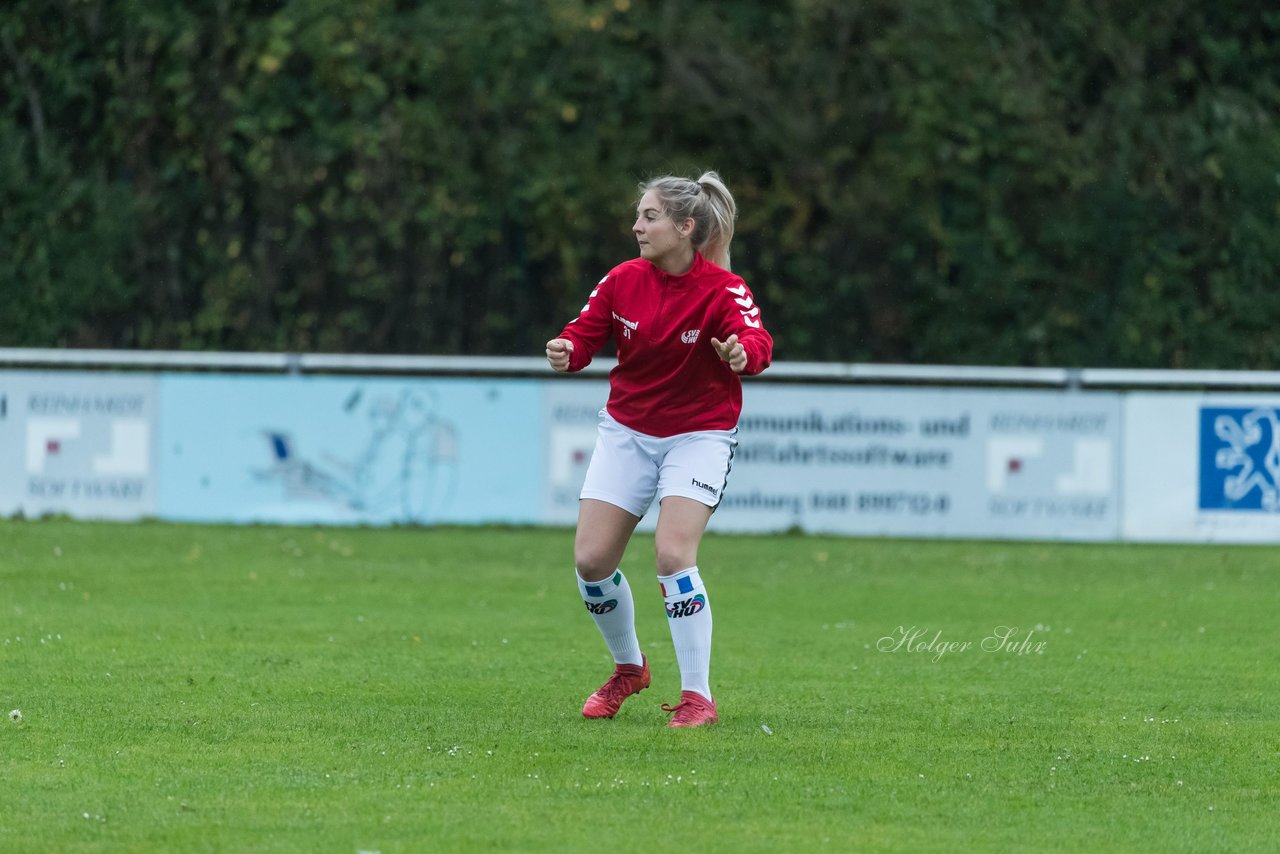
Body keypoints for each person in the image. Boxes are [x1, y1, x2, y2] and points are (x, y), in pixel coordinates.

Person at [545, 171, 773, 728]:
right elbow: (583, 334)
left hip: (699, 436)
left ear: (685, 226)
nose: (637, 226)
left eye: (649, 217)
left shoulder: (724, 289)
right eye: (639, 215)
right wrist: (567, 350)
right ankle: (630, 669)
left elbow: (757, 341)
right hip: (628, 432)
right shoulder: (624, 278)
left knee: (673, 555)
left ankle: (698, 697)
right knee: (591, 562)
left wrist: (743, 354)